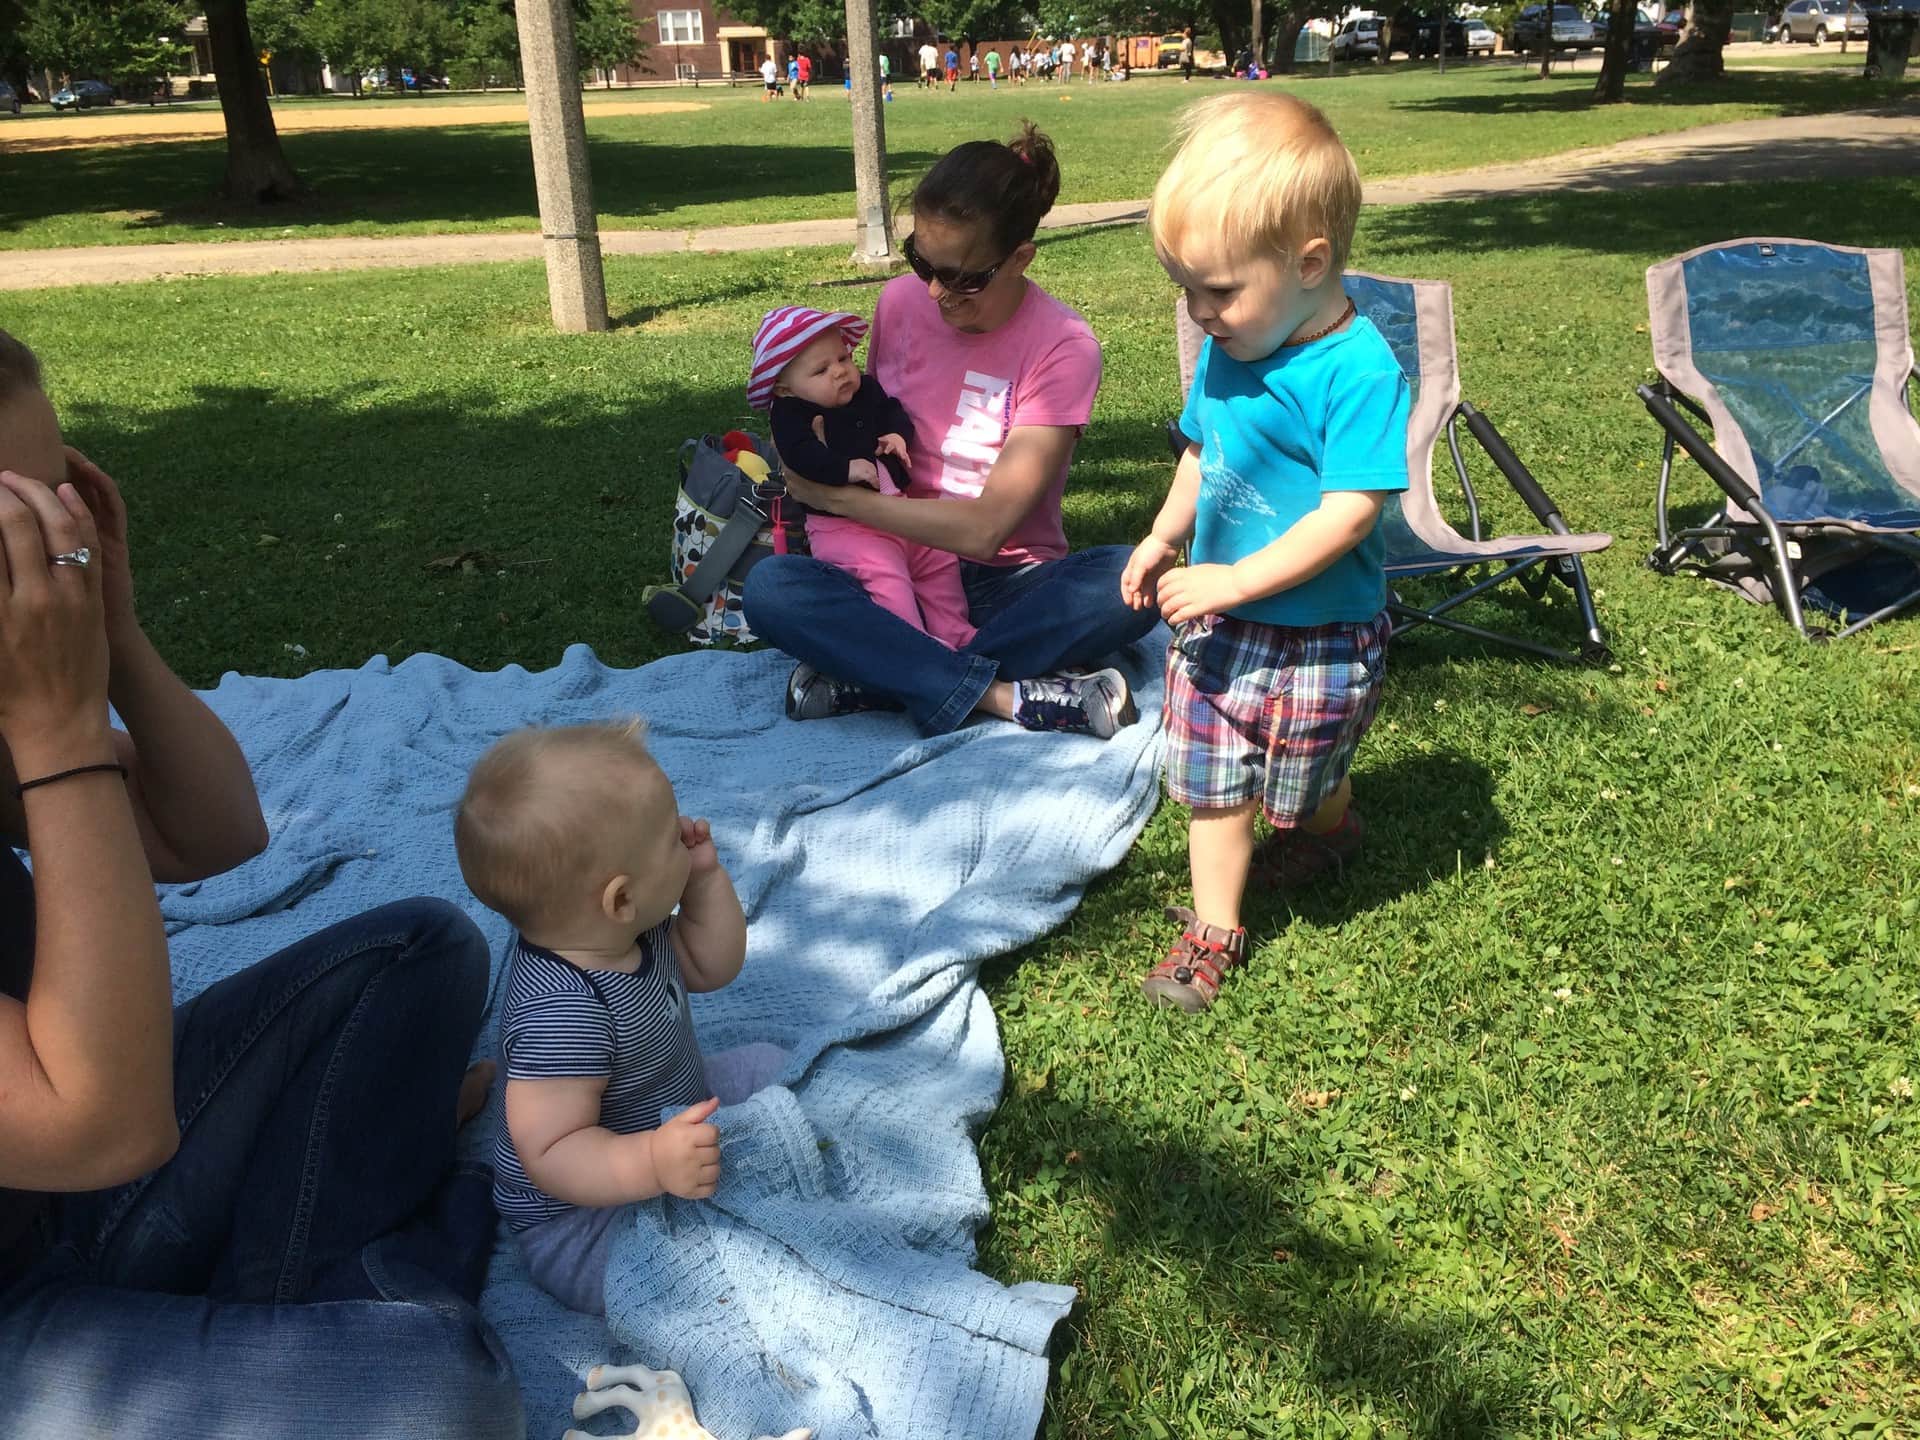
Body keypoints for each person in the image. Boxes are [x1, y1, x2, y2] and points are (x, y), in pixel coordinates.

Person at [0, 330, 524, 1436]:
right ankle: (337, 1290)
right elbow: (105, 1125)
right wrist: (55, 729)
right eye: (16, 528)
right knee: (438, 1394)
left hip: (70, 1191)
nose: (53, 553)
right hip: (48, 1233)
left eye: (55, 505)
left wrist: (115, 632)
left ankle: (288, 1301)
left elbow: (210, 835)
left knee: (425, 949)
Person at [1121, 93, 1408, 1014]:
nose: (1198, 312)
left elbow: (1351, 515)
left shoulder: (1359, 372)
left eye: (1218, 290)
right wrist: (1166, 537)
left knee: (1306, 777)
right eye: (1185, 288)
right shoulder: (1228, 350)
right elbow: (1204, 455)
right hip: (1221, 625)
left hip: (1322, 634)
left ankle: (1331, 823)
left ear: (1310, 263)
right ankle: (1214, 930)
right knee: (1216, 779)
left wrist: (1240, 574)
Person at [743, 126, 1159, 740]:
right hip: (882, 558)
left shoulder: (1064, 348)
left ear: (1020, 257)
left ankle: (882, 674)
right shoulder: (899, 303)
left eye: (963, 277)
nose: (935, 292)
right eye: (921, 262)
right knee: (772, 589)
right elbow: (865, 419)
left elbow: (988, 530)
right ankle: (1004, 696)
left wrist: (833, 496)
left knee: (1127, 584)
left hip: (1002, 582)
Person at [455, 723, 782, 1316]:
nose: (685, 836)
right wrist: (652, 1162)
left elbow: (713, 965)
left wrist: (703, 880)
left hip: (674, 1104)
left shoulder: (634, 926)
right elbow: (552, 1151)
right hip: (576, 1217)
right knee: (685, 1281)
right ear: (619, 899)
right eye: (668, 838)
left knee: (776, 1068)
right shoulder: (561, 1013)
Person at [752, 306, 974, 651]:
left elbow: (893, 411)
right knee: (886, 579)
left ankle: (955, 631)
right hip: (845, 530)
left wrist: (898, 435)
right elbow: (799, 457)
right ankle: (913, 645)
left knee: (938, 560)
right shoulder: (790, 414)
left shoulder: (866, 390)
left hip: (898, 511)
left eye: (843, 358)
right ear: (784, 388)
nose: (840, 372)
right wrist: (844, 469)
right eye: (821, 370)